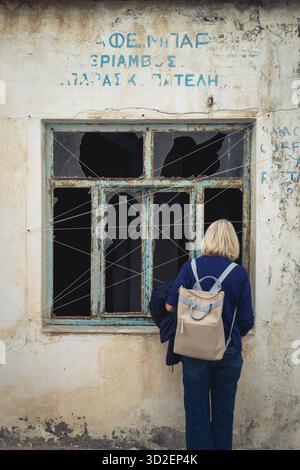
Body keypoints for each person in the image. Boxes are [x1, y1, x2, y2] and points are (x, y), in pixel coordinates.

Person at [165, 219, 254, 450]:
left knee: (196, 413)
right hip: (228, 352)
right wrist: (230, 336)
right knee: (224, 415)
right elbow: (247, 320)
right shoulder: (239, 274)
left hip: (193, 352)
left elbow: (169, 306)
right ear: (232, 241)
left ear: (208, 239)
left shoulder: (190, 267)